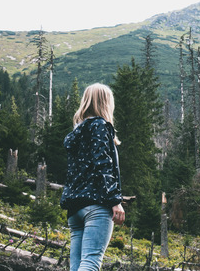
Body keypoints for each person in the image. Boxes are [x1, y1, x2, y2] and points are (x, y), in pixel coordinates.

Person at [60, 83, 125, 271]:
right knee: (90, 262)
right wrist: (115, 200)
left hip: (75, 209)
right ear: (106, 103)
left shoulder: (76, 133)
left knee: (77, 266)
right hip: (96, 206)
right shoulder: (100, 126)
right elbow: (103, 165)